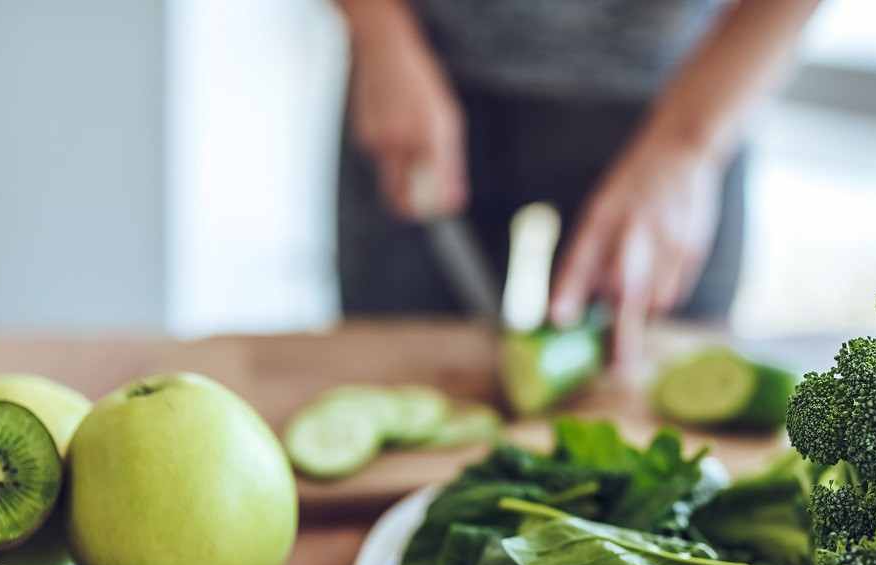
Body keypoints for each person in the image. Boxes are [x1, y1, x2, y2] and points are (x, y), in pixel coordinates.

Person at [333, 0, 822, 365]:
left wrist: (688, 144)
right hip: (418, 72)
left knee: (651, 372)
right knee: (397, 365)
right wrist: (381, 36)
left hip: (686, 94)